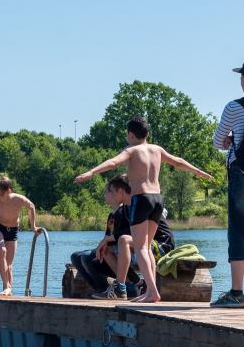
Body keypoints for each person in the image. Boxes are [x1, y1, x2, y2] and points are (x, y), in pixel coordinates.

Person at [75, 116, 212, 303]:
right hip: (157, 199)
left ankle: (152, 292)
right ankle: (149, 290)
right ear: (146, 134)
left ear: (131, 134)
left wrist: (91, 172)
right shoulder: (157, 149)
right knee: (146, 247)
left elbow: (113, 162)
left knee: (140, 248)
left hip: (141, 199)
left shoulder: (132, 150)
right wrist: (198, 171)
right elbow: (178, 161)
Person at [211, 57, 244, 308]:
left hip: (242, 172)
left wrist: (231, 138)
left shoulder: (234, 107)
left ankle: (237, 293)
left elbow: (217, 142)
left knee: (238, 229)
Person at [91, 174, 175, 300]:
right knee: (106, 249)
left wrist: (108, 238)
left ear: (121, 191)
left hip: (161, 245)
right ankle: (135, 285)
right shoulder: (125, 208)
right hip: (143, 243)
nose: (111, 195)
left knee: (124, 240)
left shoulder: (140, 203)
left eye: (112, 192)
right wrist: (105, 242)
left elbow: (137, 233)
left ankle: (120, 288)